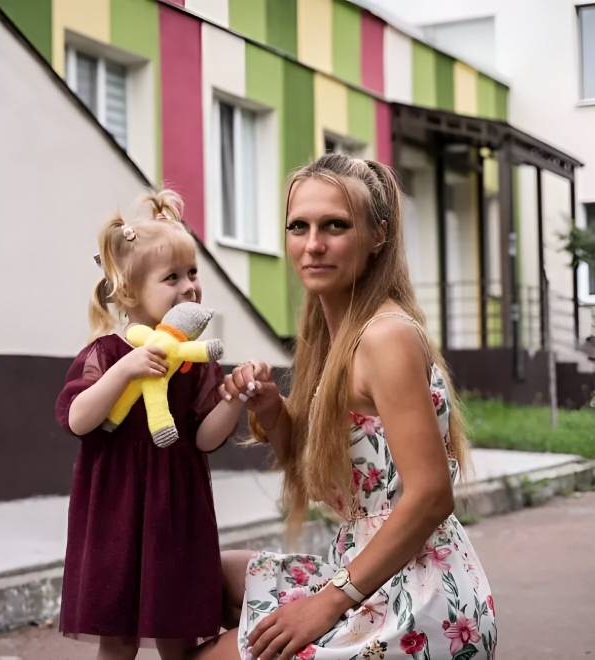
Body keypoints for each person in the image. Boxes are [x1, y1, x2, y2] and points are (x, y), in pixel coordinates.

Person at [197, 154, 497, 660]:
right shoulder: (331, 332)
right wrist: (274, 410)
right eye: (299, 226)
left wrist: (325, 603)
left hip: (416, 599)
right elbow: (325, 466)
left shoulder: (386, 335)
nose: (312, 244)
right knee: (194, 579)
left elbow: (430, 496)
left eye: (335, 225)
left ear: (378, 235)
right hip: (371, 570)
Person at [54, 190, 244, 660]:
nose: (190, 287)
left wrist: (234, 401)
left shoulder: (194, 364)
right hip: (116, 511)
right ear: (132, 292)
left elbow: (204, 437)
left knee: (177, 634)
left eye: (194, 274)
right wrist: (126, 370)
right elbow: (78, 419)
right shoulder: (106, 354)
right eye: (172, 277)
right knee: (116, 639)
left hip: (175, 508)